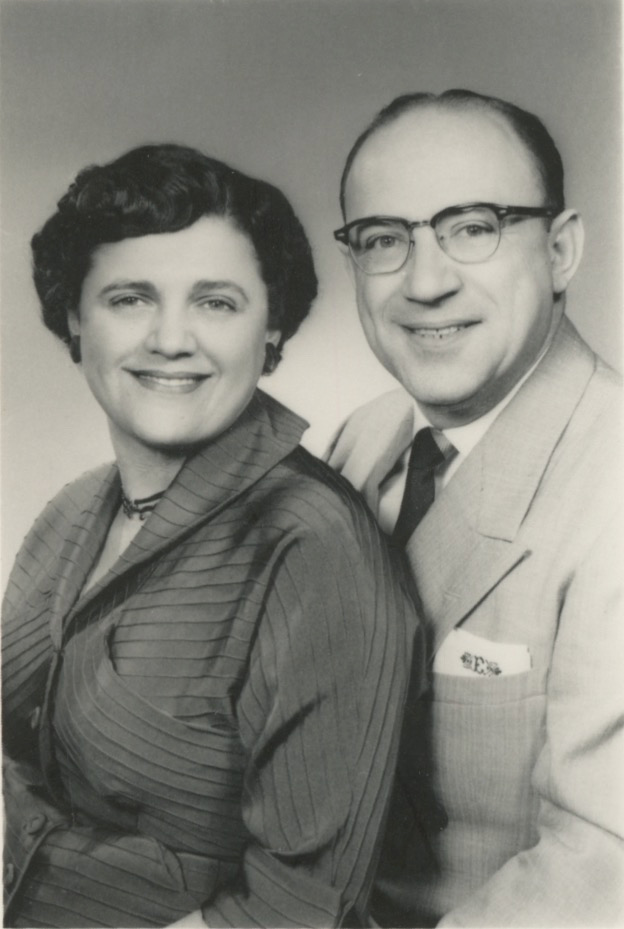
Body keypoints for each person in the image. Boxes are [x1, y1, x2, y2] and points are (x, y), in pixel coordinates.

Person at [2, 143, 420, 928]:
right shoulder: (67, 513)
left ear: (271, 331)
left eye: (216, 303)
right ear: (72, 317)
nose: (170, 338)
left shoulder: (314, 548)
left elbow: (295, 909)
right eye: (129, 298)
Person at [328, 89, 623, 925]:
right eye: (385, 239)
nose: (425, 281)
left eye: (473, 227)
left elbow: (605, 867)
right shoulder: (361, 440)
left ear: (562, 250)